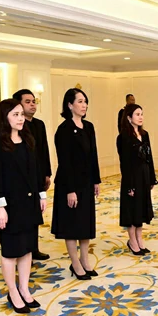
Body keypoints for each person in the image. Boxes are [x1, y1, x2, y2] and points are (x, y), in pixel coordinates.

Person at [0, 99, 47, 313]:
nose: (21, 118)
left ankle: (24, 289)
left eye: (21, 114)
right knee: (11, 251)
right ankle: (12, 292)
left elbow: (36, 171)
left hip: (29, 202)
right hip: (9, 205)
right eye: (15, 115)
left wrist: (41, 195)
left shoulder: (28, 139)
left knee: (27, 248)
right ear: (4, 117)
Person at [52, 88, 101, 280]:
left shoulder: (89, 127)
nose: (84, 105)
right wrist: (70, 190)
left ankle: (85, 260)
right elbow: (65, 162)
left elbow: (93, 155)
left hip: (86, 183)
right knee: (72, 225)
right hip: (69, 184)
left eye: (85, 101)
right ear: (69, 105)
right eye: (80, 101)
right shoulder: (64, 130)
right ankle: (75, 263)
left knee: (85, 223)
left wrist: (96, 180)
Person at [13, 89, 52, 261]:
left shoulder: (39, 124)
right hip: (21, 178)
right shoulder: (16, 126)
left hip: (38, 174)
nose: (32, 105)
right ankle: (21, 248)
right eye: (27, 102)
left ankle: (33, 247)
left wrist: (47, 173)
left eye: (33, 101)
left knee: (36, 212)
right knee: (22, 214)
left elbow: (44, 151)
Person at [118, 104, 158, 255]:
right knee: (132, 209)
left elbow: (149, 157)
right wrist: (129, 186)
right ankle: (132, 241)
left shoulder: (145, 134)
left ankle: (139, 239)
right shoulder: (123, 138)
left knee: (141, 208)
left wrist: (152, 178)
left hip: (144, 175)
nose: (141, 117)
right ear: (129, 117)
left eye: (141, 114)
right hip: (132, 177)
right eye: (137, 114)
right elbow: (124, 163)